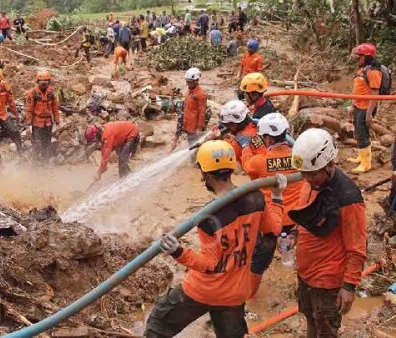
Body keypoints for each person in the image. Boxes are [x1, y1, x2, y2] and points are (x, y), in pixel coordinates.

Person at [144, 139, 285, 338]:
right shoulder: (257, 198)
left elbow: (209, 263)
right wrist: (277, 197)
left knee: (158, 324)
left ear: (206, 174)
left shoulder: (209, 217)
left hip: (203, 290)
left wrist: (178, 251)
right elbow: (274, 228)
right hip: (235, 293)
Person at [289, 128, 366, 338]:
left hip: (328, 282)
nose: (307, 178)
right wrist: (295, 234)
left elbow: (357, 247)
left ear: (330, 164)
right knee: (310, 318)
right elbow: (307, 214)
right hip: (306, 273)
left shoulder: (348, 197)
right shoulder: (310, 182)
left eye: (312, 174)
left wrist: (349, 287)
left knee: (326, 330)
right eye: (304, 174)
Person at [241, 113, 304, 296]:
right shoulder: (298, 157)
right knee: (297, 253)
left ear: (267, 137)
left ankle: (250, 296)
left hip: (271, 220)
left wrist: (246, 146)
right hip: (295, 218)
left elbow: (247, 166)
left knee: (258, 262)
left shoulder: (260, 162)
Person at [347, 43, 382, 174]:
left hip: (366, 107)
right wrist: (352, 105)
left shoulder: (373, 71)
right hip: (358, 105)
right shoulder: (362, 69)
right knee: (358, 131)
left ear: (367, 57)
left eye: (360, 56)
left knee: (362, 134)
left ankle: (366, 164)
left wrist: (369, 114)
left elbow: (375, 93)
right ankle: (361, 157)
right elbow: (357, 89)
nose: (358, 59)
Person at [25, 70, 60, 164]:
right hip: (37, 122)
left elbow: (55, 107)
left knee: (47, 143)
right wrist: (28, 125)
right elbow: (29, 109)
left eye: (46, 82)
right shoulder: (33, 93)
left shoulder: (51, 93)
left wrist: (57, 121)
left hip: (48, 122)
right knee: (36, 143)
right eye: (42, 82)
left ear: (49, 82)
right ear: (38, 82)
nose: (44, 84)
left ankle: (45, 162)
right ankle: (35, 163)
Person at [170, 68, 207, 151]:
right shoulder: (189, 92)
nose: (187, 84)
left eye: (189, 82)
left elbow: (202, 112)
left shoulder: (200, 94)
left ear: (196, 81)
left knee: (195, 147)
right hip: (187, 124)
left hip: (194, 127)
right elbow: (185, 109)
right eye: (187, 81)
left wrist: (199, 128)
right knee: (191, 144)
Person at [212, 100, 259, 165]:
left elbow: (221, 155)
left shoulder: (240, 139)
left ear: (234, 124)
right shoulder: (256, 126)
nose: (227, 127)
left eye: (227, 124)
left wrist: (217, 139)